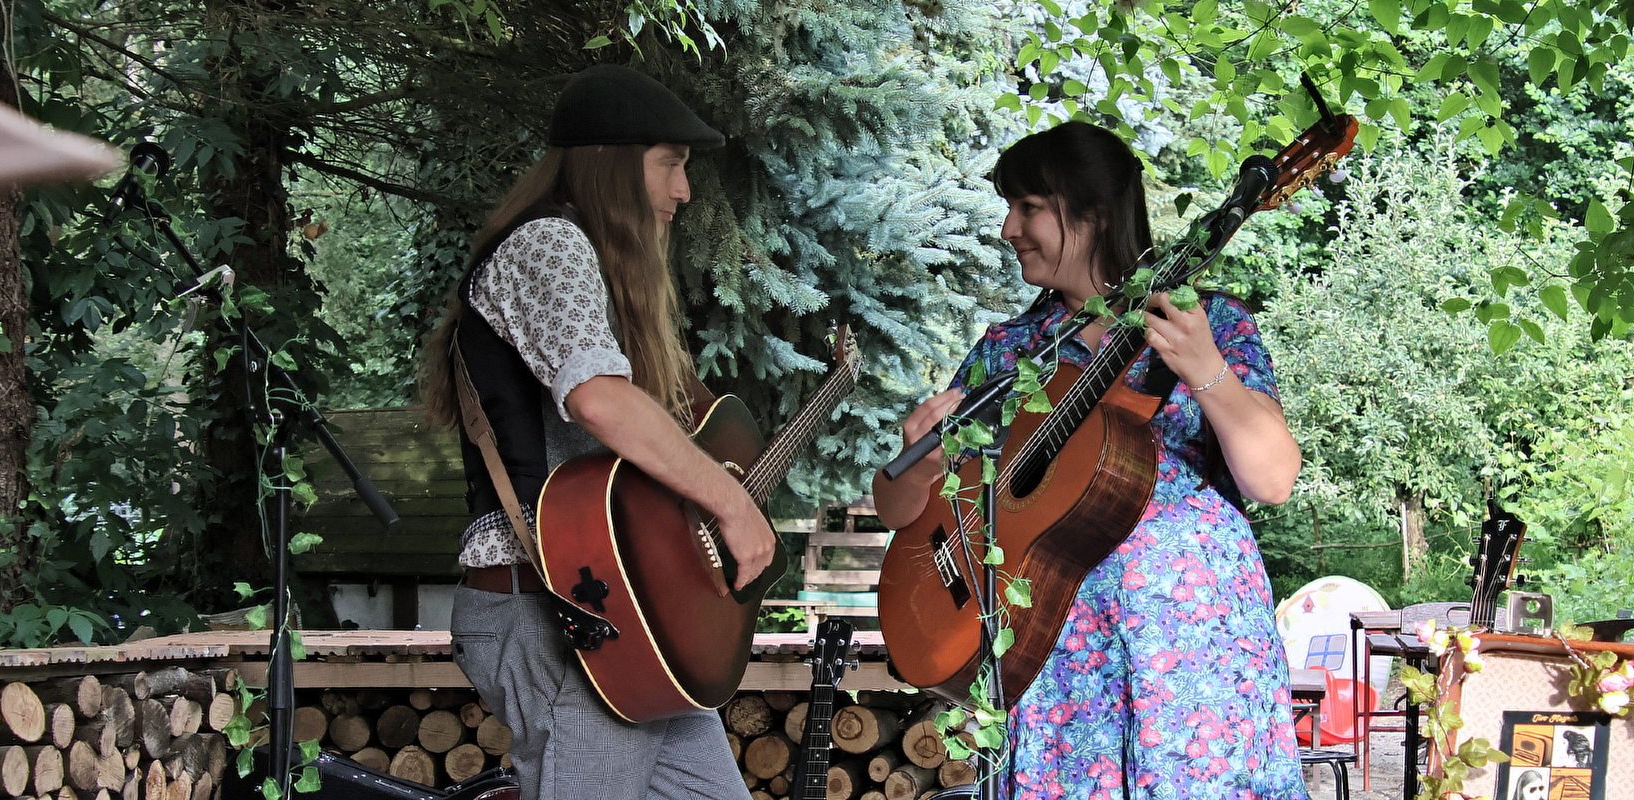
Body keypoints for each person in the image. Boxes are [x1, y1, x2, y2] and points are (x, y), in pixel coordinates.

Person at [873, 121, 1306, 797]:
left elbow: (1273, 478)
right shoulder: (1009, 352)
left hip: (1190, 646)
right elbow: (902, 509)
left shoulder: (1209, 324)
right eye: (1009, 207)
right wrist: (920, 464)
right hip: (1055, 648)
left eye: (1029, 208)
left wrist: (1206, 369)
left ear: (1095, 211)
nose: (1008, 227)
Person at [417, 64, 776, 800]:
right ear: (613, 162)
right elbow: (599, 402)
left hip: (628, 620)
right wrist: (733, 504)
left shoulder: (594, 268)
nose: (684, 190)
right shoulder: (548, 242)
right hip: (556, 616)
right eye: (670, 163)